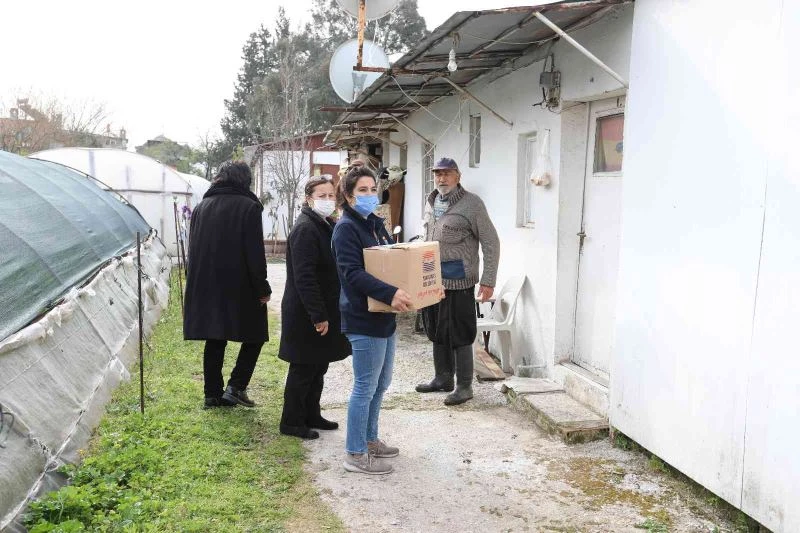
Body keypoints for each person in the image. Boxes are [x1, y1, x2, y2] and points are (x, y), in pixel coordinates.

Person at [331, 166, 413, 475]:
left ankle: (369, 439)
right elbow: (352, 273)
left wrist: (420, 287)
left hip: (384, 316)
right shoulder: (346, 229)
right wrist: (391, 293)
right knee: (365, 386)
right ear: (348, 195)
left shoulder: (375, 224)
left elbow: (393, 263)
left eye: (372, 189)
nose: (369, 195)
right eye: (362, 190)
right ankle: (354, 453)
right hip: (362, 318)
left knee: (381, 383)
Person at [183, 161, 271, 409]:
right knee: (256, 334)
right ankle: (236, 387)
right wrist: (262, 287)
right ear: (245, 180)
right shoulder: (249, 207)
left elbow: (193, 249)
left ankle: (212, 394)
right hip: (240, 284)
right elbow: (255, 253)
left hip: (206, 283)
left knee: (215, 336)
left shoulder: (201, 207)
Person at [417, 157, 500, 406]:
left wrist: (488, 280)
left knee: (461, 332)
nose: (441, 178)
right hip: (432, 280)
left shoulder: (472, 204)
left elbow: (491, 242)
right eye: (438, 174)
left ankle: (464, 386)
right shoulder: (431, 201)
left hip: (459, 281)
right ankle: (442, 378)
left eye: (447, 173)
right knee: (436, 329)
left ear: (458, 176)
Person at [279, 175, 351, 440]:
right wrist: (318, 315)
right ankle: (291, 421)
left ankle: (312, 413)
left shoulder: (325, 224)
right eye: (322, 196)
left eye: (331, 195)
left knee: (319, 365)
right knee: (303, 367)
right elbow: (305, 277)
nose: (328, 200)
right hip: (306, 312)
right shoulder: (305, 229)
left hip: (323, 308)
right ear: (309, 199)